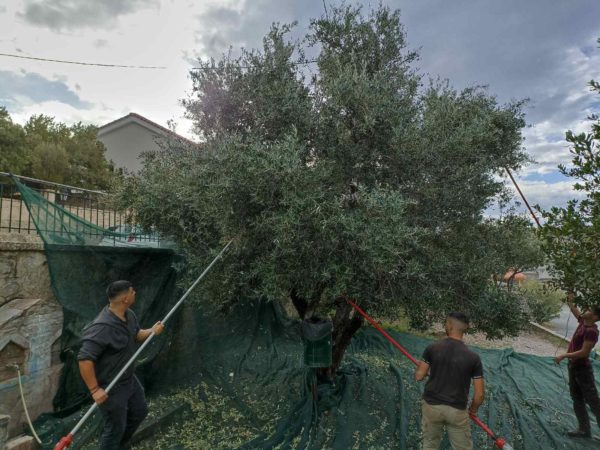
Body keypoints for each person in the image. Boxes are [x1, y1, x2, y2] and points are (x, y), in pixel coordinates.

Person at [77, 280, 164, 450]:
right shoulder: (102, 327)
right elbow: (84, 359)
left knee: (139, 412)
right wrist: (94, 390)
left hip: (128, 379)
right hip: (111, 386)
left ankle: (120, 446)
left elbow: (136, 335)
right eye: (132, 291)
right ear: (125, 298)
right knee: (115, 429)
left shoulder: (128, 314)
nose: (135, 293)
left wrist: (152, 331)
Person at [415, 312, 484, 450]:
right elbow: (479, 395)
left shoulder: (432, 348)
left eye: (446, 323)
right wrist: (473, 410)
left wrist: (426, 370)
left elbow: (419, 376)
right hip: (457, 411)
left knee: (429, 445)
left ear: (449, 325)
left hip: (432, 407)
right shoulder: (473, 358)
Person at [554, 292, 600, 439]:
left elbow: (584, 352)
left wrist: (564, 355)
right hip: (573, 367)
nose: (586, 309)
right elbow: (574, 308)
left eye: (589, 309)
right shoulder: (583, 322)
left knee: (593, 402)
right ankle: (584, 430)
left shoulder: (592, 331)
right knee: (577, 398)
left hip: (583, 370)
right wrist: (570, 297)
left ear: (595, 317)